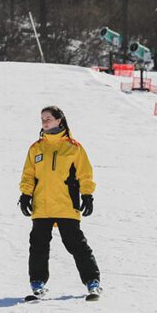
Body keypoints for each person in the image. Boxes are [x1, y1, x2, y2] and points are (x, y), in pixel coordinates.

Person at [18, 106, 101, 301]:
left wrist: (87, 195)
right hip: (42, 206)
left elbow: (85, 173)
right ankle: (37, 284)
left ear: (59, 120)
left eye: (48, 118)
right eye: (42, 119)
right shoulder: (36, 148)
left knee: (76, 245)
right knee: (38, 246)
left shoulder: (74, 147)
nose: (44, 122)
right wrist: (25, 195)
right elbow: (29, 174)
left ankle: (93, 282)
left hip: (66, 204)